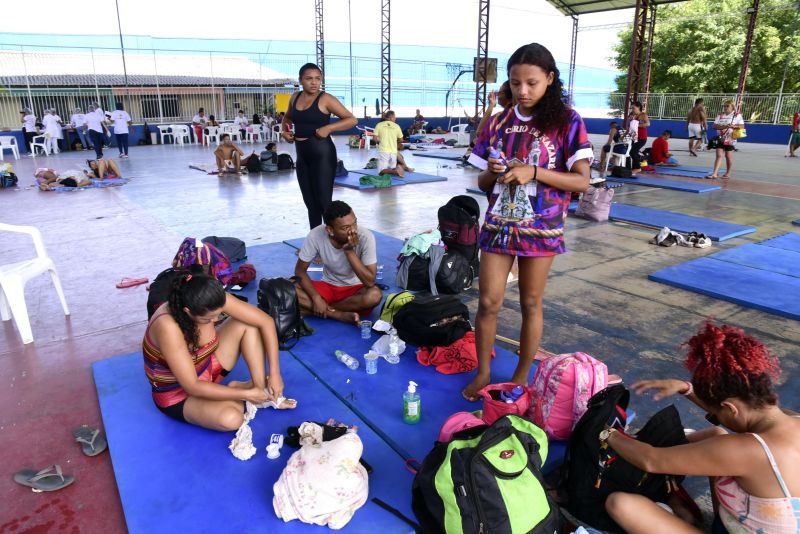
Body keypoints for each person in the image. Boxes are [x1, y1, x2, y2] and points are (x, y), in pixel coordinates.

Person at [462, 42, 592, 401]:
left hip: (542, 226)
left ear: (549, 79)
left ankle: (521, 375)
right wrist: (493, 173)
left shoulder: (568, 121)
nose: (523, 91)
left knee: (530, 303)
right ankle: (483, 372)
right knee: (488, 302)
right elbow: (482, 183)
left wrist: (534, 171)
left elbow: (582, 180)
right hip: (500, 225)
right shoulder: (497, 121)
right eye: (516, 83)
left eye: (532, 83)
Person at [603, 320, 800, 534]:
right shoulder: (791, 419)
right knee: (717, 434)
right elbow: (733, 416)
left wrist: (607, 432)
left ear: (729, 407)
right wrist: (685, 389)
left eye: (715, 413)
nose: (714, 416)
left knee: (620, 504)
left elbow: (651, 460)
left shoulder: (747, 450)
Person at [143, 271, 295, 430]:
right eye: (208, 319)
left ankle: (260, 390)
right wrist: (245, 396)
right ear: (188, 311)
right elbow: (192, 386)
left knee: (248, 324)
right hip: (179, 394)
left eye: (219, 314)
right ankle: (246, 391)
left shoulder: (211, 297)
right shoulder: (168, 327)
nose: (216, 321)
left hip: (205, 368)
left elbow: (266, 321)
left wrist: (275, 373)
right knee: (232, 418)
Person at [282, 63, 358, 229]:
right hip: (302, 155)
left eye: (318, 78)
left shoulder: (326, 99)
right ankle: (315, 243)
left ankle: (332, 242)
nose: (314, 82)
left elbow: (351, 119)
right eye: (309, 79)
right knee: (310, 202)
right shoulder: (294, 97)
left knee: (324, 202)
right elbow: (287, 118)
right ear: (300, 80)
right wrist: (285, 131)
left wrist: (329, 128)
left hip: (322, 154)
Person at [293, 201, 381, 325]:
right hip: (328, 285)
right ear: (330, 230)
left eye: (355, 223)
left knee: (374, 295)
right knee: (286, 286)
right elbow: (300, 271)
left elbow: (370, 281)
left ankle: (314, 309)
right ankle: (337, 314)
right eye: (346, 228)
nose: (353, 231)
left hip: (356, 291)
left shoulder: (366, 237)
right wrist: (316, 297)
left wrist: (349, 251)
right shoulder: (315, 235)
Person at [706, 100, 745, 179]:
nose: (725, 107)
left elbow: (742, 126)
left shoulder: (737, 115)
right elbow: (715, 126)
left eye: (727, 106)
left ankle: (728, 173)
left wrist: (733, 126)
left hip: (730, 138)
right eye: (724, 106)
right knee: (719, 155)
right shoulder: (720, 115)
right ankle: (715, 173)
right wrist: (725, 126)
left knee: (728, 156)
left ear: (732, 107)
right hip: (720, 138)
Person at [374, 110, 405, 176]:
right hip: (393, 151)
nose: (395, 118)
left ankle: (396, 171)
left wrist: (380, 141)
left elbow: (375, 139)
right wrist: (394, 142)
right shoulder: (397, 126)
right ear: (391, 117)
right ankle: (398, 168)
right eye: (395, 117)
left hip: (384, 150)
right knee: (392, 168)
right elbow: (401, 139)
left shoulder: (379, 125)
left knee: (381, 172)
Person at [629, 101, 650, 173]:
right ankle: (634, 168)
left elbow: (648, 124)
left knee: (633, 152)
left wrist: (637, 125)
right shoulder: (633, 116)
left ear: (638, 107)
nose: (632, 110)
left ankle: (638, 167)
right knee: (633, 152)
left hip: (642, 138)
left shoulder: (643, 115)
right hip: (634, 138)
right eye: (632, 108)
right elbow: (630, 127)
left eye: (633, 108)